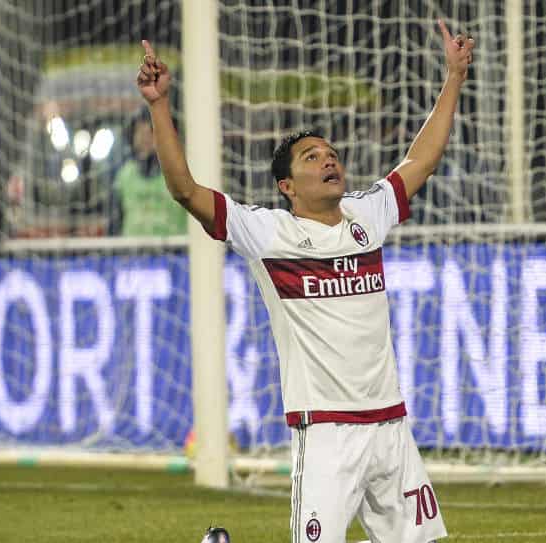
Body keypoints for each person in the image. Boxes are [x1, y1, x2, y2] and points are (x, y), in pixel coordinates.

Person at [137, 19, 473, 543]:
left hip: (391, 428)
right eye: (312, 157)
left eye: (330, 152)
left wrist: (453, 76)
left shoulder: (368, 215)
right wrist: (160, 106)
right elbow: (184, 189)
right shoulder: (270, 233)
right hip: (327, 435)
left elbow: (421, 159)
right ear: (288, 186)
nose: (329, 158)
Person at [109, 112, 188, 236]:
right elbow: (114, 222)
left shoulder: (182, 172)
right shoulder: (124, 175)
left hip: (177, 252)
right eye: (139, 132)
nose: (144, 138)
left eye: (151, 132)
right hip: (131, 252)